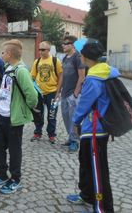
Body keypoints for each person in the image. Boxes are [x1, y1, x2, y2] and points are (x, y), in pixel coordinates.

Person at [66, 39, 115, 213]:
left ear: (84, 57)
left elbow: (83, 105)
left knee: (98, 170)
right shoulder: (105, 71)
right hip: (93, 128)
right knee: (86, 163)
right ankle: (86, 195)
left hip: (95, 130)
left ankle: (102, 207)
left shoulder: (94, 78)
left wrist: (76, 122)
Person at [0, 39, 37, 194]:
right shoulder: (8, 67)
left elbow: (32, 96)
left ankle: (15, 178)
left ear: (8, 54)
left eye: (3, 52)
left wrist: (21, 110)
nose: (2, 55)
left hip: (13, 119)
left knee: (14, 150)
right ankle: (1, 175)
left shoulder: (20, 70)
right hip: (2, 115)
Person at [30, 41, 63, 144]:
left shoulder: (55, 61)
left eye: (43, 50)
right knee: (38, 114)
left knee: (52, 115)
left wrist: (58, 91)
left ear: (48, 50)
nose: (40, 51)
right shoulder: (37, 61)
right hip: (39, 93)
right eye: (39, 49)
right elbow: (32, 77)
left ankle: (51, 134)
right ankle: (38, 132)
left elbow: (61, 75)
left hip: (53, 92)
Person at [57, 36, 86, 152]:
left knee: (74, 119)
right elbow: (63, 75)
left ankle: (74, 141)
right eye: (63, 43)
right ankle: (71, 136)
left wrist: (75, 94)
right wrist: (58, 91)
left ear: (73, 45)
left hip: (73, 94)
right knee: (65, 118)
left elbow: (82, 76)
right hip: (64, 93)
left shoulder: (77, 57)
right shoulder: (65, 58)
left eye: (66, 43)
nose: (63, 45)